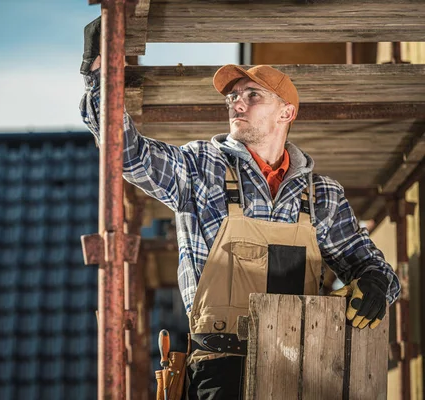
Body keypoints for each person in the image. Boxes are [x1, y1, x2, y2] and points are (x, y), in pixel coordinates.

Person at [79, 17, 400, 400]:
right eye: (232, 96)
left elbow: (378, 272)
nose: (236, 103)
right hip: (220, 368)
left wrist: (376, 285)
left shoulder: (322, 196)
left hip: (307, 367)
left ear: (286, 113)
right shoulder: (200, 167)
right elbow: (129, 155)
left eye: (253, 95)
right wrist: (100, 78)